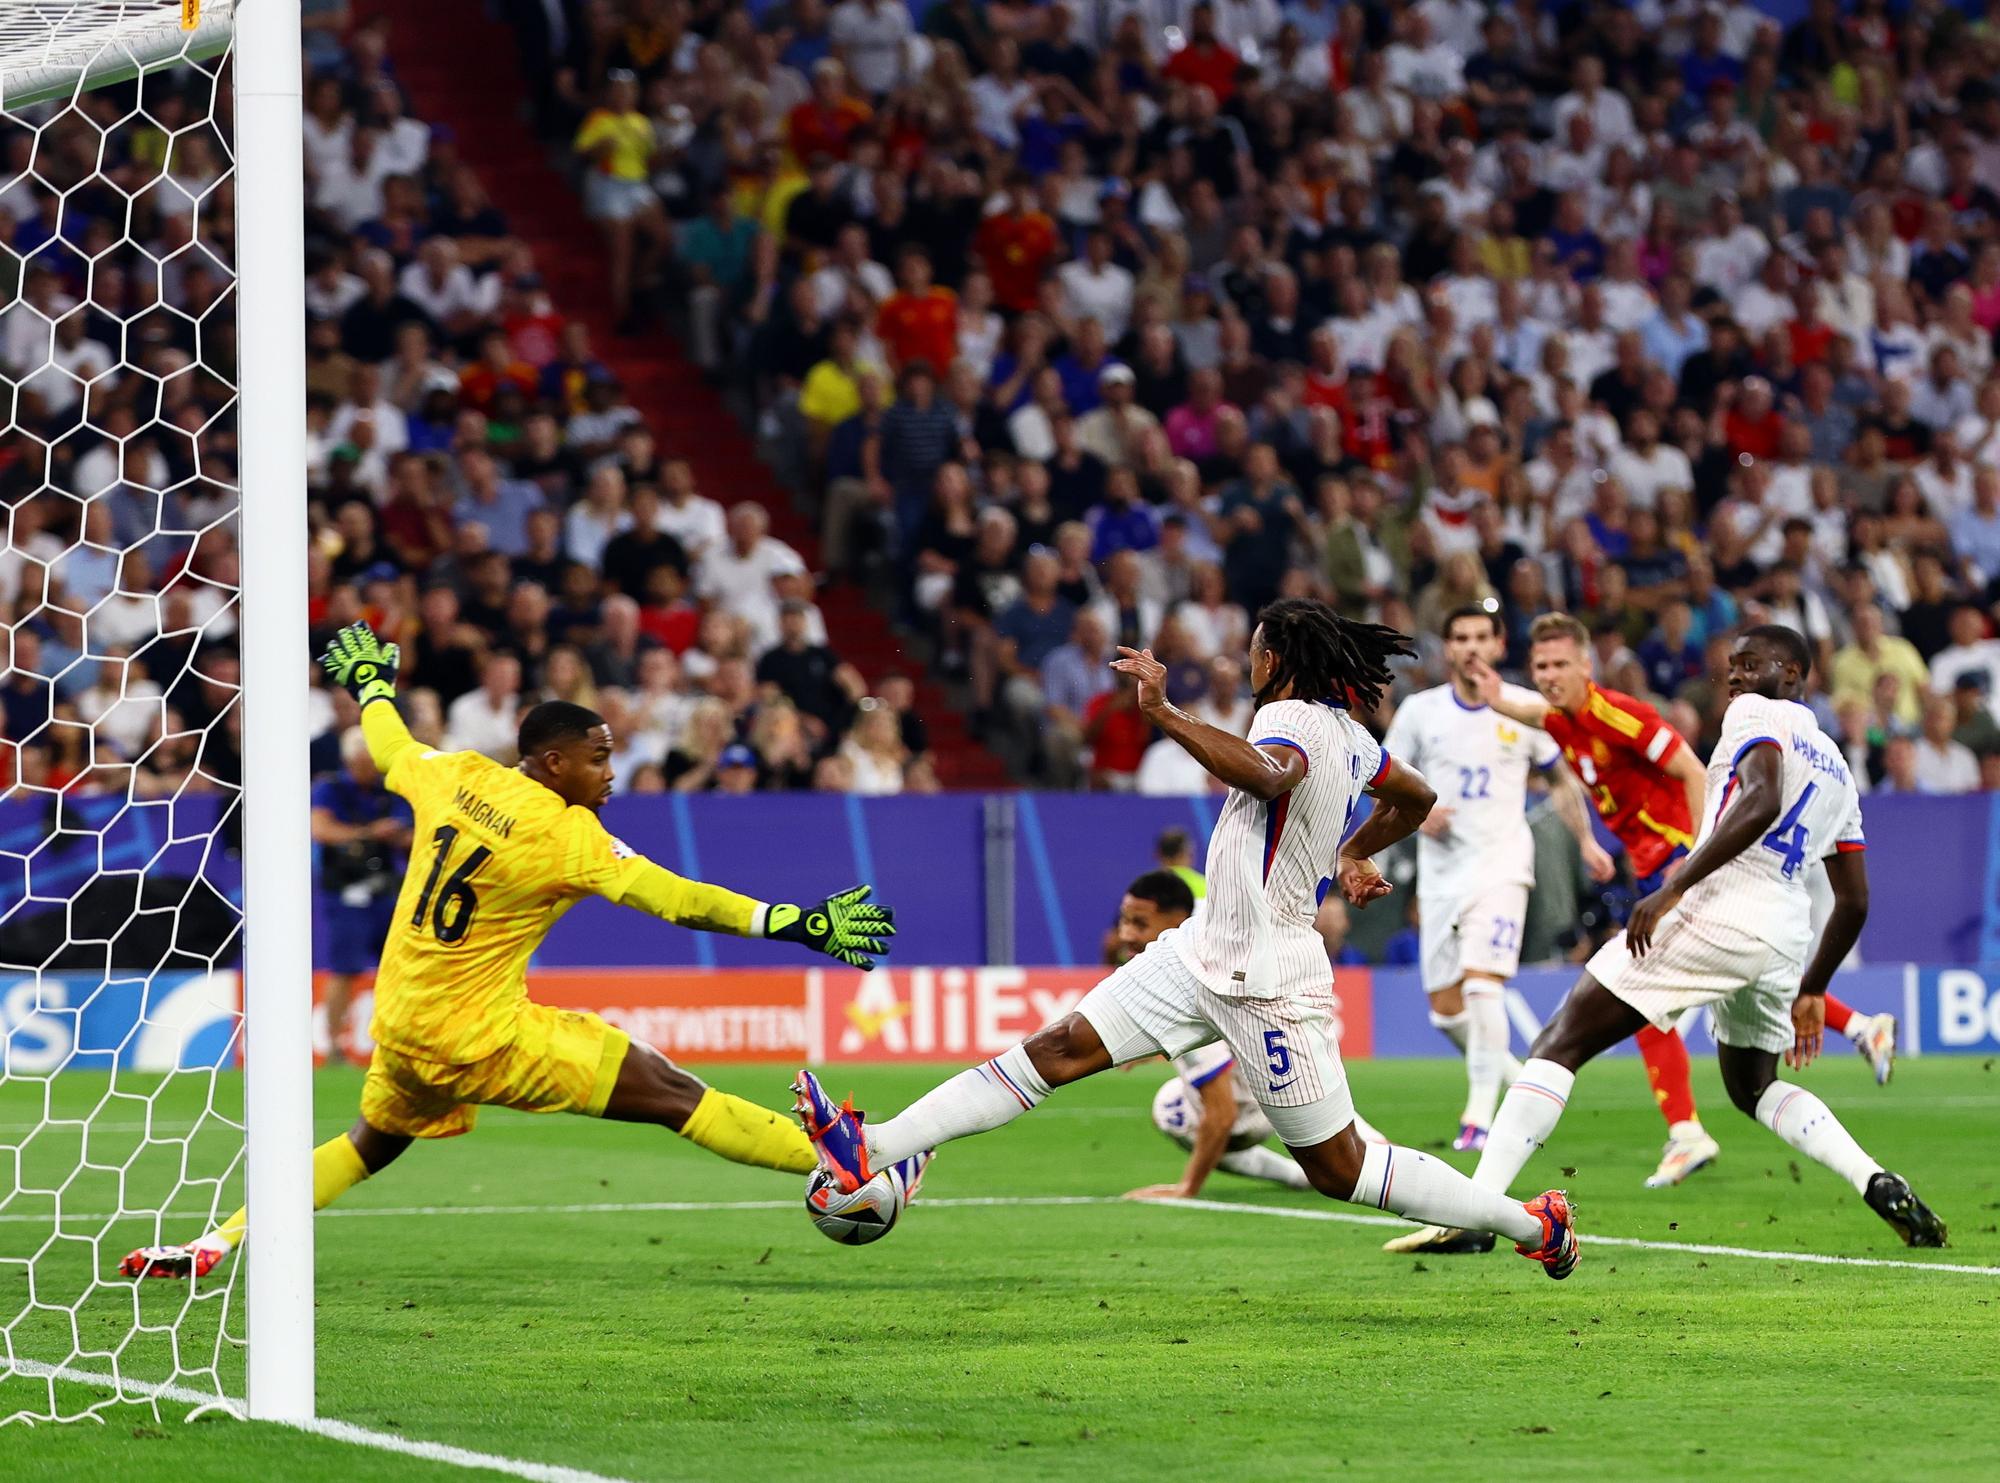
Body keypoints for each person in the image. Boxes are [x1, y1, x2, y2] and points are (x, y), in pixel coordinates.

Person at [794, 599, 1584, 1281]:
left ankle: (1533, 1224)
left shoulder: (1289, 717)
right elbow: (1415, 794)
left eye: (1253, 650)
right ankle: (873, 1144)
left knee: (1341, 1168)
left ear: (1274, 657)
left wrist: (1167, 714)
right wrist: (1355, 850)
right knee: (1057, 1047)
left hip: (1269, 973)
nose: (1247, 661)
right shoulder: (1350, 734)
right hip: (1200, 947)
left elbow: (1271, 776)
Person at [121, 624, 906, 1281]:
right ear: (553, 760)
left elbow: (392, 746)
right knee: (670, 1091)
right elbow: (675, 898)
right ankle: (849, 1163)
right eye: (598, 757)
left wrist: (370, 686)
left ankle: (215, 1239)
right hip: (481, 1034)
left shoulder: (454, 775)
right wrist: (793, 922)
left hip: (401, 1024)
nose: (609, 772)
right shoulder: (567, 833)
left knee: (367, 1146)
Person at [1458, 627, 1944, 1252]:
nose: (1734, 676)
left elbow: (1762, 796)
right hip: (1783, 932)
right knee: (1753, 1087)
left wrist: (1673, 887)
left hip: (1718, 908)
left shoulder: (1754, 714)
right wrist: (1813, 989)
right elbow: (1854, 900)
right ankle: (1876, 1180)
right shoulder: (1840, 769)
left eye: (1751, 664)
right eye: (1731, 666)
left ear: (1793, 676)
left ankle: (1475, 1215)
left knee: (1560, 1041)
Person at [1380, 605, 1614, 1162]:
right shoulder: (1421, 711)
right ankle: (1516, 1079)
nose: (1471, 648)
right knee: (1445, 1008)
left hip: (1504, 866)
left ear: (1499, 643)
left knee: (1484, 984)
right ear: (1447, 647)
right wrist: (1415, 808)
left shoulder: (1525, 708)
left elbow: (1561, 778)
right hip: (1442, 876)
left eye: (1481, 637)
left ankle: (1479, 1116)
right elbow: (1380, 770)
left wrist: (1586, 841)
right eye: (1460, 638)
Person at [1109, 869, 1384, 1202]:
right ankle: (1301, 1174)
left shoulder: (1194, 977)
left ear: (1176, 919)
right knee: (1172, 1107)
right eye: (1124, 922)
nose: (1125, 935)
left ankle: (1428, 1189)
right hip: (1276, 1065)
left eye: (1139, 924)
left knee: (1369, 1168)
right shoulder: (1214, 928)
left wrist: (1187, 1188)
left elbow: (1221, 1114)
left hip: (1274, 1087)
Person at [312, 726, 413, 1067]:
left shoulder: (390, 790)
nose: (372, 767)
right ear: (351, 759)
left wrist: (399, 836)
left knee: (401, 969)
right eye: (366, 760)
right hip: (346, 891)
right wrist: (371, 832)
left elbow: (416, 833)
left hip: (386, 888)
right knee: (344, 970)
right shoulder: (331, 789)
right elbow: (320, 830)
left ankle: (402, 1043)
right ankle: (334, 1046)